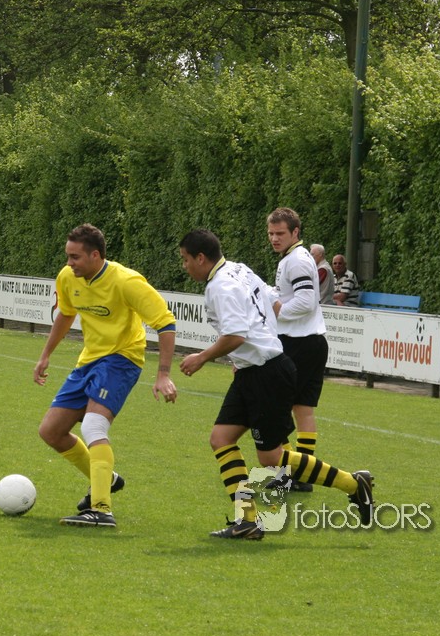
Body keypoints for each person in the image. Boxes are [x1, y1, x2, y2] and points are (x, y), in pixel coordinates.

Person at [178, 229, 373, 540]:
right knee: (221, 439)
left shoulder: (221, 286)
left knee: (270, 458)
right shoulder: (238, 269)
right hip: (253, 370)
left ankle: (353, 484)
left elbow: (236, 334)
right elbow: (271, 300)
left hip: (266, 372)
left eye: (186, 259)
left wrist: (202, 357)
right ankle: (247, 520)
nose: (185, 266)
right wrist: (259, 341)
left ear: (201, 258)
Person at [34, 224, 177, 528]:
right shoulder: (67, 277)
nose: (69, 263)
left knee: (93, 425)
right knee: (51, 431)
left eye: (75, 257)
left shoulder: (126, 281)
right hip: (89, 360)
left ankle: (101, 509)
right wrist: (45, 354)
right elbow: (67, 314)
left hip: (122, 359)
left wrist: (163, 375)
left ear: (96, 255)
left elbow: (165, 323)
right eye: (68, 256)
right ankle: (106, 478)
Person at [267, 208, 329, 492]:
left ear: (295, 232)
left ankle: (290, 471)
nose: (274, 238)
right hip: (309, 341)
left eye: (280, 233)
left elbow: (306, 302)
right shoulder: (294, 258)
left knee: (272, 405)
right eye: (271, 233)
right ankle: (301, 476)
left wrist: (276, 310)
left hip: (300, 343)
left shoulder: (297, 261)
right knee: (303, 410)